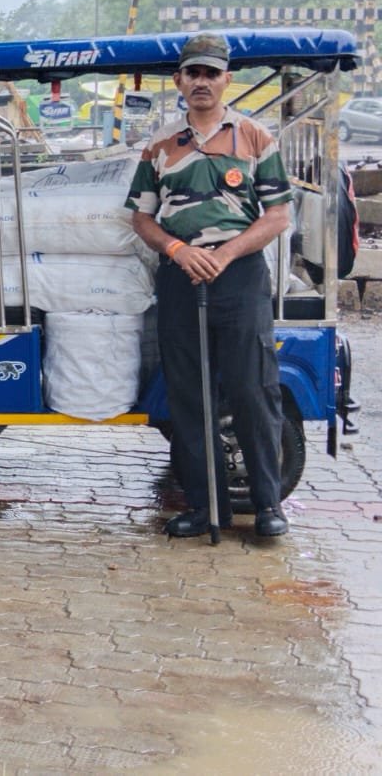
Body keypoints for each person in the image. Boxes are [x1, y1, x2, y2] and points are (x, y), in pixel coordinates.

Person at [127, 33, 293, 539]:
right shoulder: (160, 145)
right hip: (181, 278)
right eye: (193, 73)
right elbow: (142, 218)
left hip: (239, 278)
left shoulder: (255, 138)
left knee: (252, 390)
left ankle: (267, 506)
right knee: (189, 396)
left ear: (227, 80)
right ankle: (205, 507)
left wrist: (224, 254)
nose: (202, 82)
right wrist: (178, 250)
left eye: (211, 73)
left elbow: (277, 216)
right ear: (179, 80)